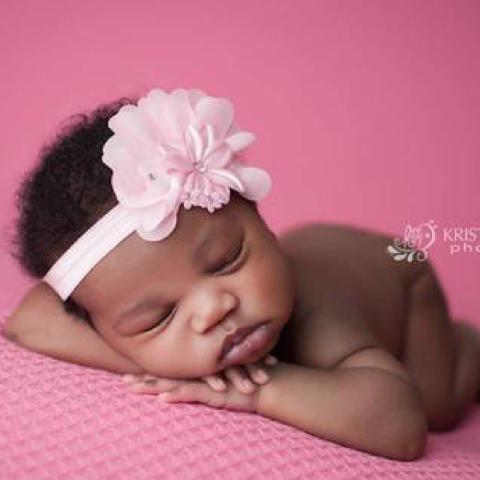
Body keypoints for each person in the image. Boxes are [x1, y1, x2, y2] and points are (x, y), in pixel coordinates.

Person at [3, 88, 480, 462]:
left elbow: (401, 424)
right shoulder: (118, 309)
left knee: (440, 403)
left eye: (227, 259)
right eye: (157, 318)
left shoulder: (316, 317)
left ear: (261, 217)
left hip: (398, 276)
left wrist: (257, 390)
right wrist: (161, 358)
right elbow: (30, 319)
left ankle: (469, 342)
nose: (215, 309)